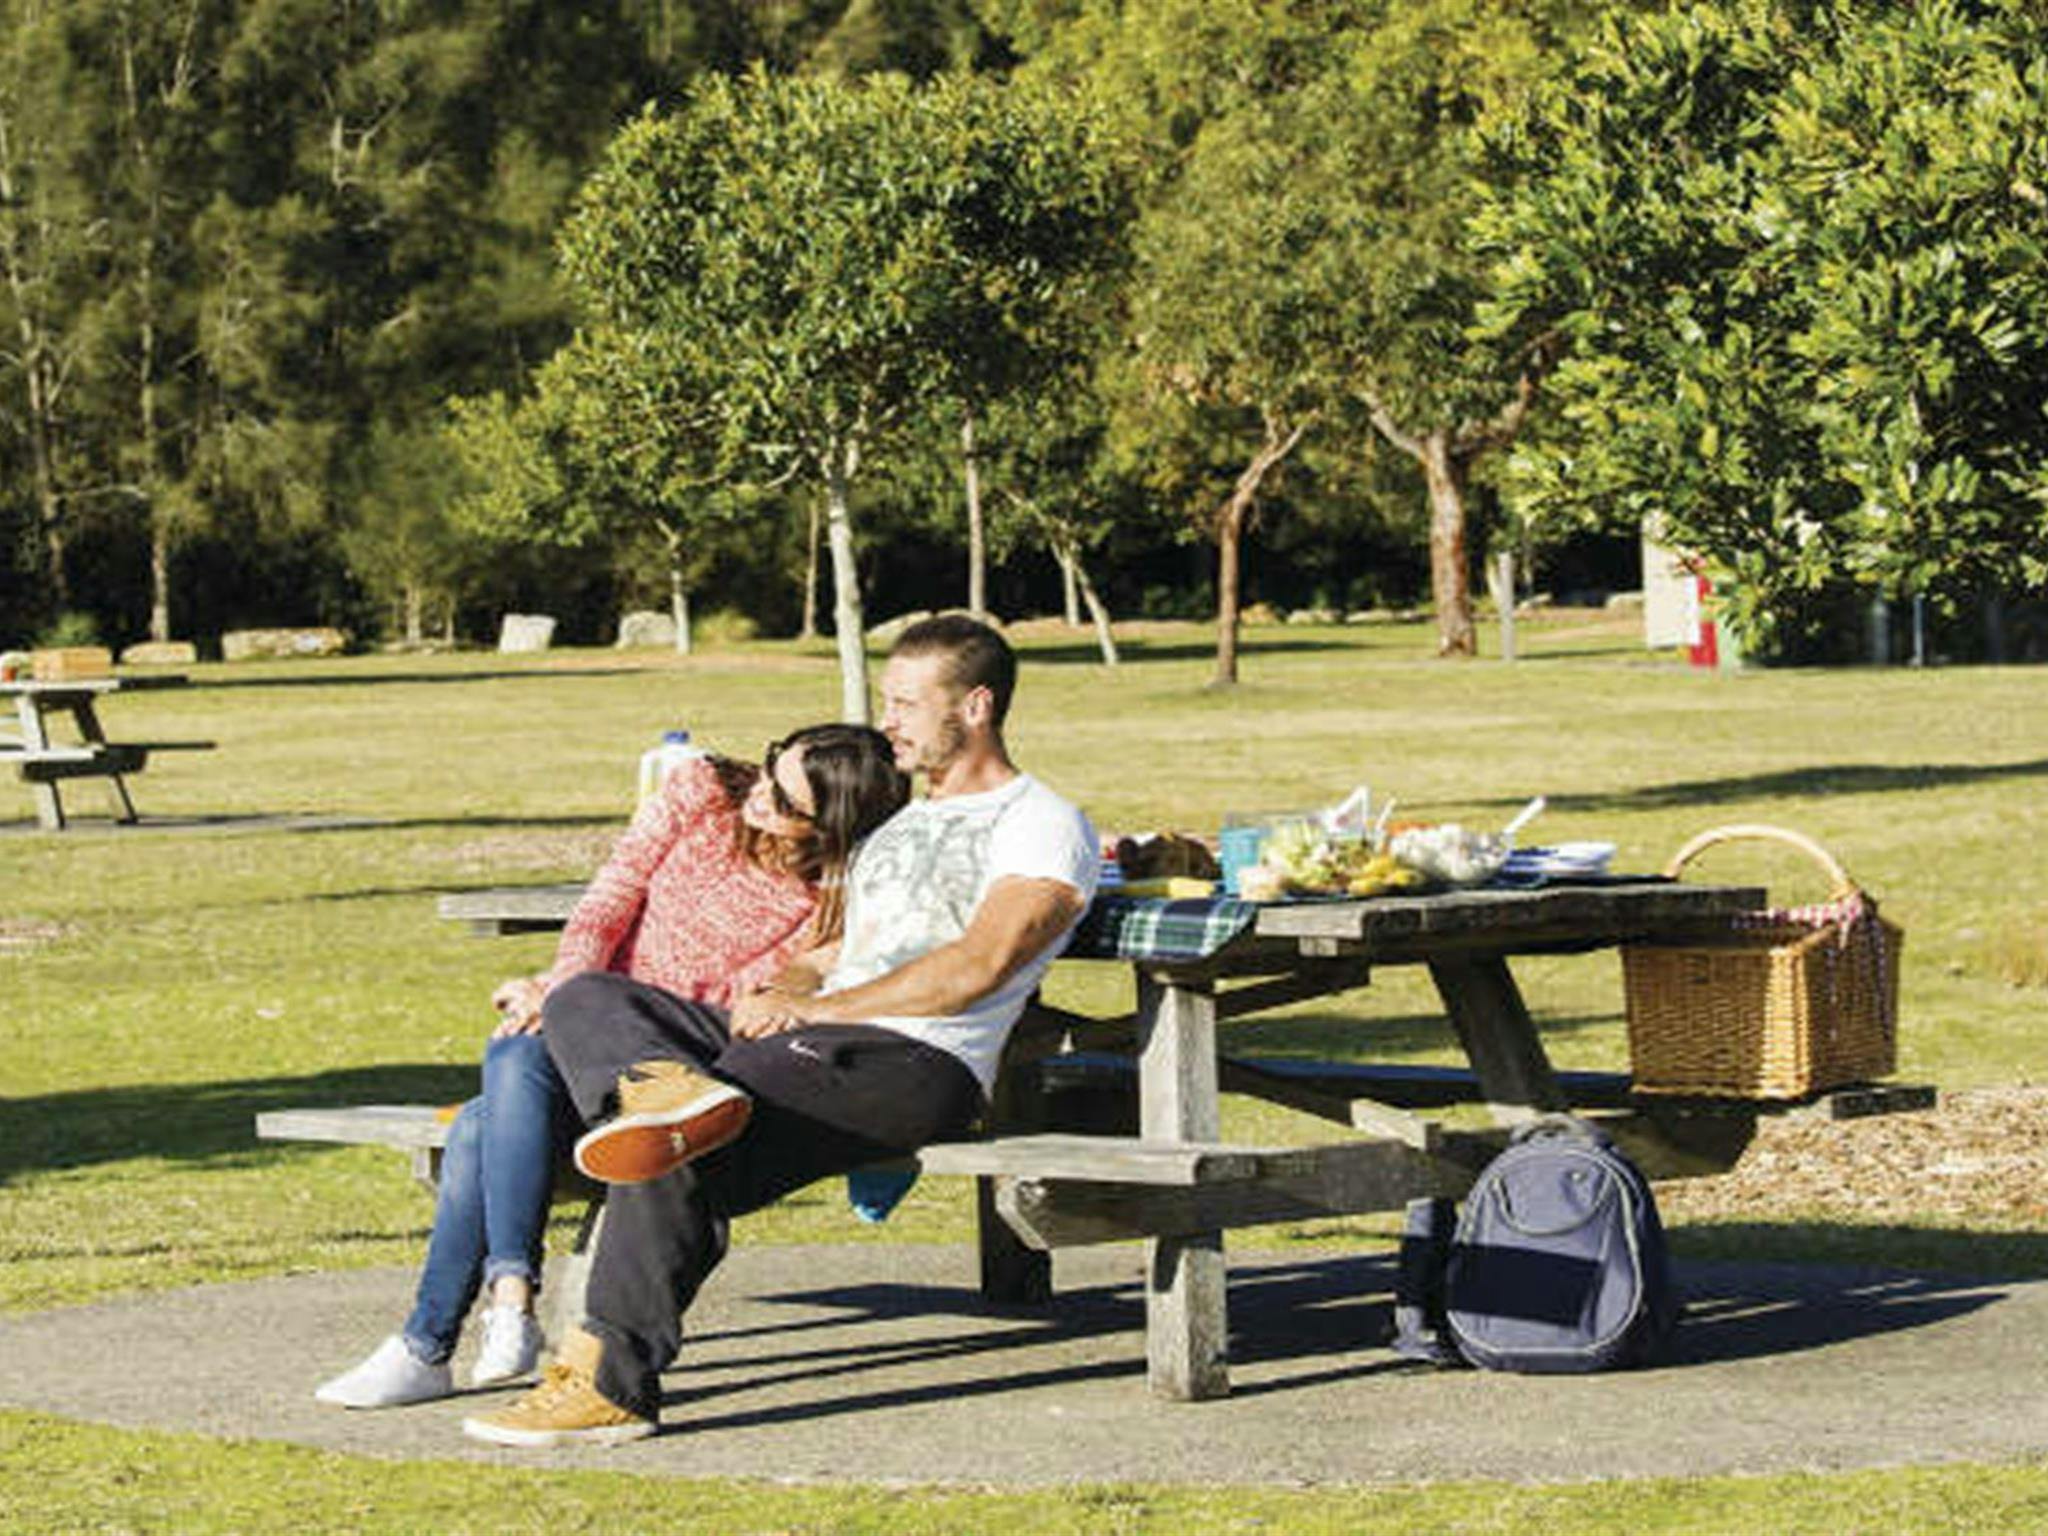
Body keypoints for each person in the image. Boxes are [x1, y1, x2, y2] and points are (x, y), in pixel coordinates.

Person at [463, 614, 1099, 1447]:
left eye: (907, 703)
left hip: (915, 1058)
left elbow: (978, 964)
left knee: (671, 1139)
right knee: (589, 1001)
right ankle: (665, 1090)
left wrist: (821, 1006)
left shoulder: (1041, 822)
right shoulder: (904, 826)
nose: (888, 721)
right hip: (810, 1039)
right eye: (886, 699)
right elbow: (845, 945)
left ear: (976, 706)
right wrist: (797, 977)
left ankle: (606, 1381)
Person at [312, 723, 909, 1410]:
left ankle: (436, 1341)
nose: (761, 796)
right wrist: (561, 991)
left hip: (677, 1077)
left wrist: (570, 1004)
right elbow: (609, 899)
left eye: (784, 802)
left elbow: (734, 1013)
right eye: (772, 770)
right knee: (519, 1046)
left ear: (828, 827)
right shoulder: (704, 790)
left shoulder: (834, 904)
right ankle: (503, 1306)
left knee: (484, 1121)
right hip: (586, 1039)